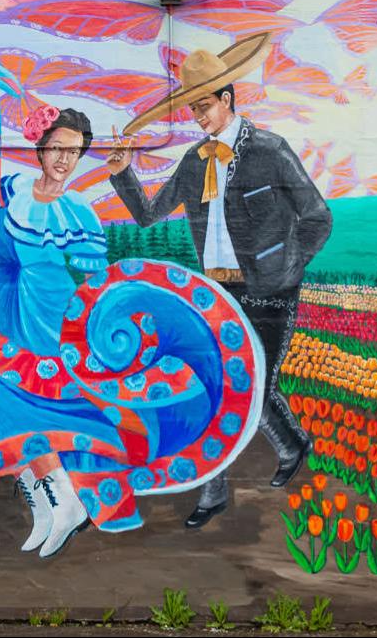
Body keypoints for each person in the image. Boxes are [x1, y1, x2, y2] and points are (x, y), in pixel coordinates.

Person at [104, 33, 333, 528]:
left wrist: (288, 269)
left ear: (227, 99)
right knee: (220, 389)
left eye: (204, 107)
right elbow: (148, 215)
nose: (198, 118)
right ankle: (220, 488)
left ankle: (284, 449)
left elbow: (317, 217)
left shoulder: (270, 150)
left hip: (270, 292)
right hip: (218, 294)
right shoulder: (194, 162)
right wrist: (123, 173)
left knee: (252, 389)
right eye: (192, 110)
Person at [0, 103, 112, 557]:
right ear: (40, 148)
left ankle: (64, 500)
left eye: (74, 152)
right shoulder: (15, 188)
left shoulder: (78, 209)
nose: (64, 160)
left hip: (54, 314)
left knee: (30, 406)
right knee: (1, 403)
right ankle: (46, 504)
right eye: (57, 148)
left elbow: (90, 277)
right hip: (11, 305)